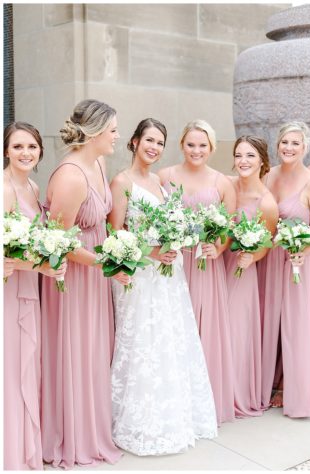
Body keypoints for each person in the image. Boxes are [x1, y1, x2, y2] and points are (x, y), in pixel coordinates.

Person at [107, 118, 217, 454]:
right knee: (143, 340)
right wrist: (153, 252)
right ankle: (139, 422)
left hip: (169, 275)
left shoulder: (160, 181)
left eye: (159, 143)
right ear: (135, 141)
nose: (154, 148)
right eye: (149, 140)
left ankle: (174, 416)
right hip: (140, 274)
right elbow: (116, 236)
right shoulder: (122, 182)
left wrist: (176, 240)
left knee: (170, 340)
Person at [41, 99, 127, 468]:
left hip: (95, 272)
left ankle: (94, 427)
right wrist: (106, 265)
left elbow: (104, 222)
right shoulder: (70, 176)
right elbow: (60, 243)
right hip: (73, 280)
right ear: (93, 132)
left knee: (95, 350)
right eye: (112, 130)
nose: (117, 137)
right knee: (76, 350)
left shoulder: (99, 162)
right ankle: (73, 436)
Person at [158, 120, 238, 424]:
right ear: (182, 145)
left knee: (204, 330)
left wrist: (217, 248)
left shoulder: (221, 183)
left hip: (205, 265)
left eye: (202, 145)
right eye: (191, 144)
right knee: (174, 327)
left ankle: (205, 404)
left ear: (212, 148)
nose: (196, 150)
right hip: (174, 261)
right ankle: (176, 402)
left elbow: (228, 228)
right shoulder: (164, 177)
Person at [3, 122, 65, 470]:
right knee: (11, 368)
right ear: (5, 151)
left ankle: (25, 445)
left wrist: (46, 260)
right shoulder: (5, 188)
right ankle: (10, 452)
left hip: (29, 287)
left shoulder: (32, 185)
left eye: (32, 147)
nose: (25, 153)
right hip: (10, 289)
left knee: (25, 365)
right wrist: (41, 266)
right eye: (17, 147)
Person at [262, 122, 310, 417]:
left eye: (295, 143)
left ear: (305, 147)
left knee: (295, 325)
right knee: (271, 321)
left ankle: (295, 391)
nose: (289, 148)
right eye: (284, 142)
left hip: (297, 263)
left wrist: (303, 250)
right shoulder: (268, 175)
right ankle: (271, 384)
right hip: (270, 260)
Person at [226, 136, 279, 417]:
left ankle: (235, 393)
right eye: (238, 155)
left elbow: (266, 244)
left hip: (240, 270)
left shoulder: (266, 202)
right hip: (215, 266)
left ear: (261, 161)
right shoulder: (226, 186)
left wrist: (252, 256)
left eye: (249, 156)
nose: (243, 161)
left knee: (235, 332)